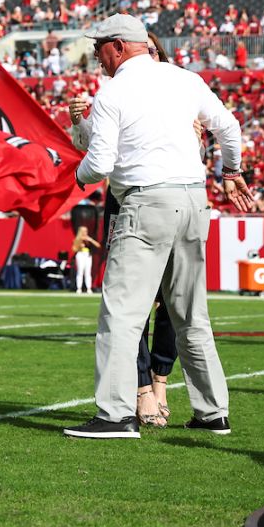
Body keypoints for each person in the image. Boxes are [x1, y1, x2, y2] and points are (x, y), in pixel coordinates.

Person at [64, 14, 254, 440]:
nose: (96, 56)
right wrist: (232, 170)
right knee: (191, 314)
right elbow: (229, 126)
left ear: (118, 46)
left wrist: (76, 177)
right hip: (193, 199)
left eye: (99, 48)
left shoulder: (114, 92)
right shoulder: (184, 79)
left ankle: (115, 415)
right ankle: (212, 411)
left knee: (122, 314)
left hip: (145, 201)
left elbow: (100, 165)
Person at [70, 31, 182, 427]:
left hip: (175, 194)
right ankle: (139, 389)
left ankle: (160, 379)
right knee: (129, 299)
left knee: (173, 301)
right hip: (128, 195)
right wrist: (80, 124)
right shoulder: (115, 92)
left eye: (152, 52)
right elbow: (100, 150)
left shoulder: (178, 87)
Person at [71, 226, 100, 294]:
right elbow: (74, 249)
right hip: (80, 254)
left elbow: (98, 245)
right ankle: (79, 288)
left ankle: (89, 288)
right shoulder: (77, 239)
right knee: (80, 271)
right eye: (83, 231)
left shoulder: (89, 239)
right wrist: (79, 246)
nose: (85, 232)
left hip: (88, 255)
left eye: (86, 231)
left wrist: (91, 240)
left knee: (88, 272)